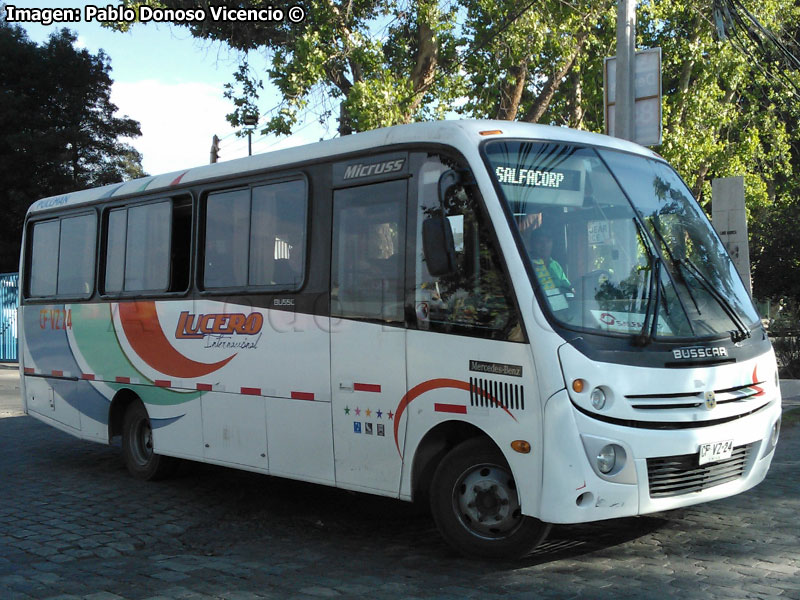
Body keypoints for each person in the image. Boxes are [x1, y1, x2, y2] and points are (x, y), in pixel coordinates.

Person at [527, 229, 572, 293]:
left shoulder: (555, 265)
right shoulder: (527, 265)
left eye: (548, 241)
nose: (544, 245)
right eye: (540, 242)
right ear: (532, 245)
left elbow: (568, 287)